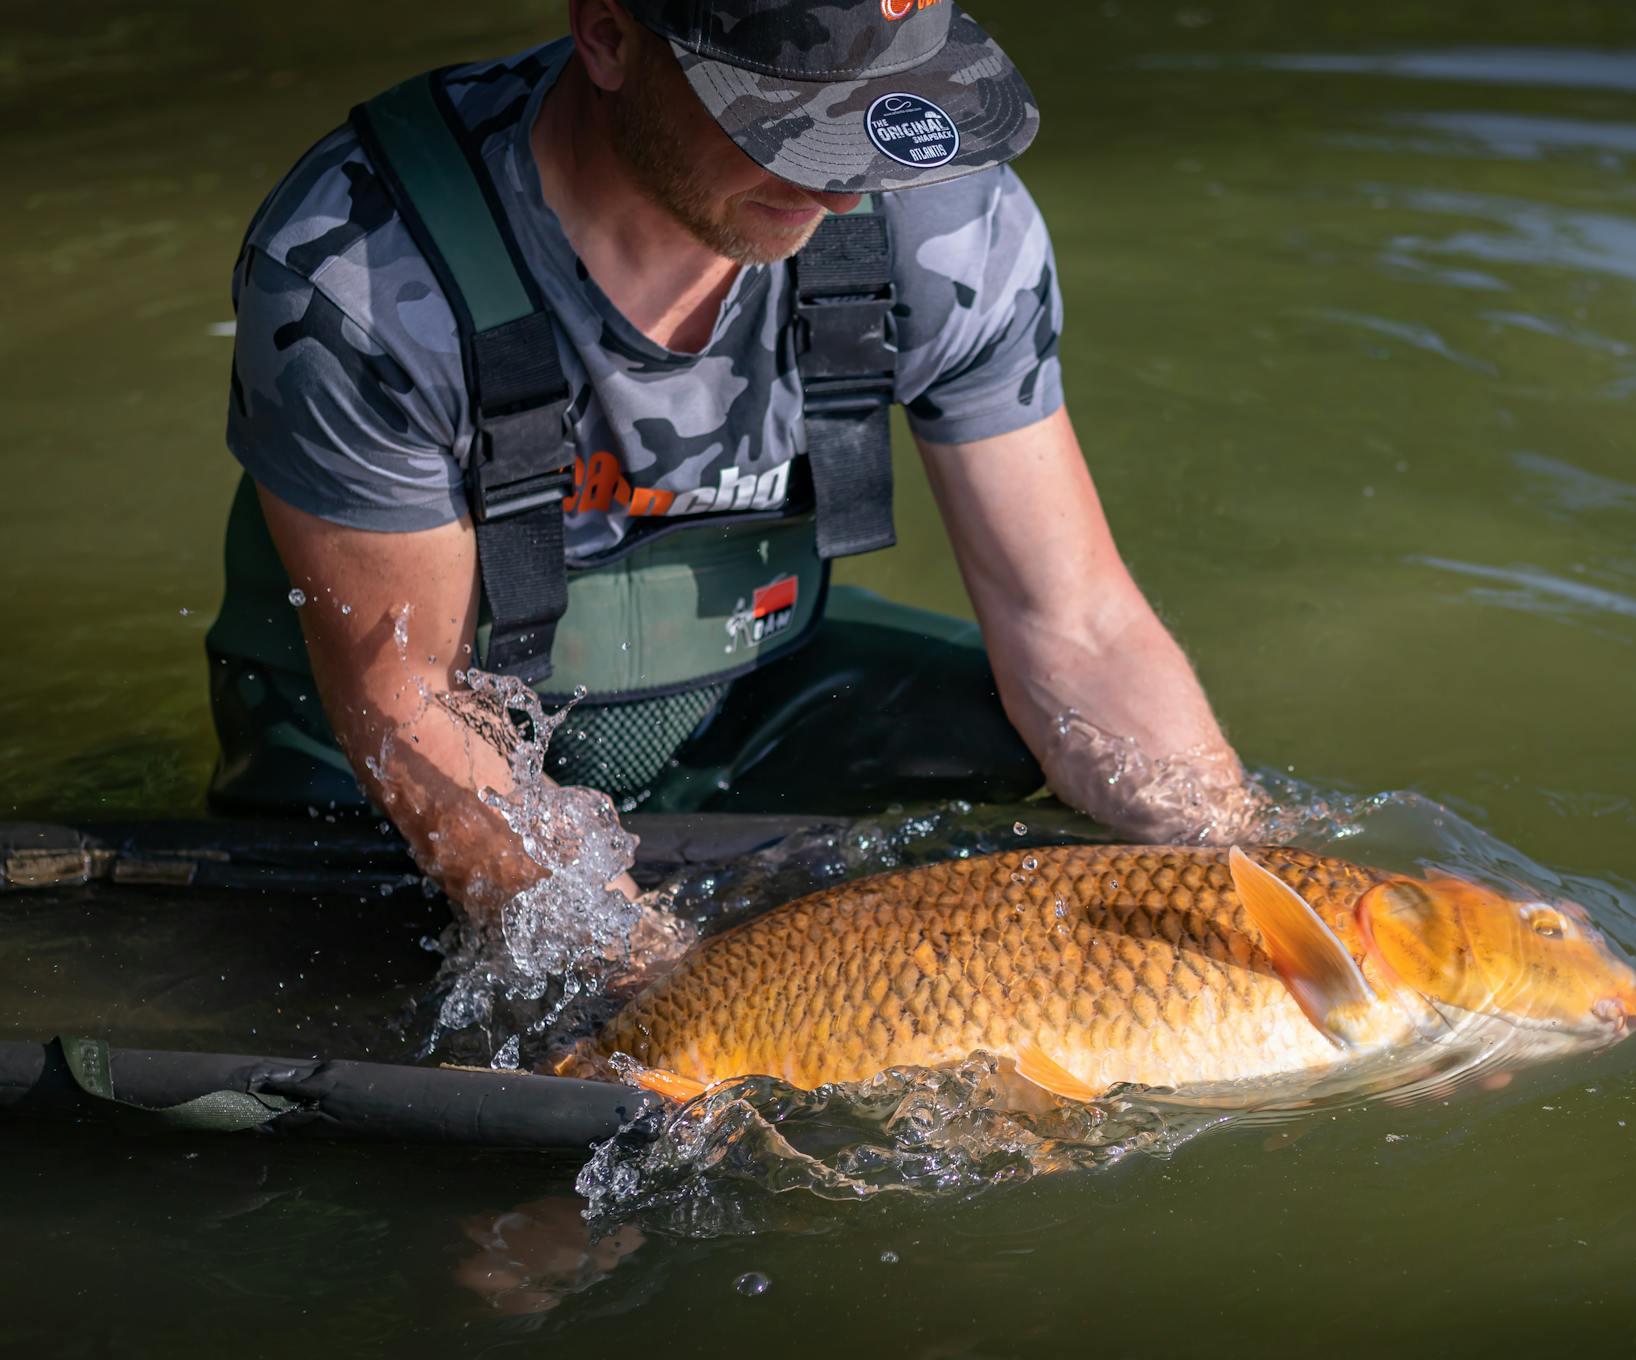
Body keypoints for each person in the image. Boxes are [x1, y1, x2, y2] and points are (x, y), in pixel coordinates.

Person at [206, 0, 1255, 920]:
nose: (846, 192)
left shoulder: (938, 216)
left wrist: (1244, 885)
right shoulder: (361, 276)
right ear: (609, 35)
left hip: (748, 698)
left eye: (876, 111)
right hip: (382, 764)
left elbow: (1072, 623)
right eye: (791, 123)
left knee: (1070, 771)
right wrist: (643, 980)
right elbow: (410, 705)